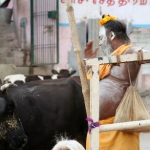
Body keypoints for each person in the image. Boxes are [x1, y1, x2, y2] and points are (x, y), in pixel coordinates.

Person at [85, 14, 143, 150]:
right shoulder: (107, 60)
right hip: (98, 128)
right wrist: (89, 63)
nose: (100, 43)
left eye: (101, 38)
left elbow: (137, 52)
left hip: (119, 130)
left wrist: (140, 51)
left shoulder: (128, 52)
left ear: (111, 36)